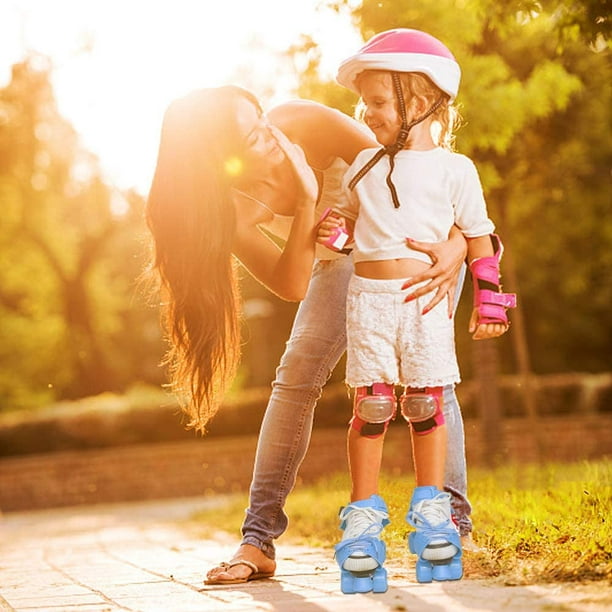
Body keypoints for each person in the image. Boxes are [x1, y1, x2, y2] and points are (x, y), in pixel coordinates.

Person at [145, 84, 472, 588]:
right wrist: (304, 201)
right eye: (250, 136)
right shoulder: (230, 207)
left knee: (426, 378)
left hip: (416, 244)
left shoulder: (302, 122)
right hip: (342, 261)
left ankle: (452, 525)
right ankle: (258, 539)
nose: (269, 135)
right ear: (219, 159)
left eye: (261, 120)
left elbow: (405, 171)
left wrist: (458, 243)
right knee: (295, 376)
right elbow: (292, 283)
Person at [317, 29, 516, 592]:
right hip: (371, 302)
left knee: (425, 403)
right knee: (374, 405)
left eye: (379, 102)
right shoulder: (361, 165)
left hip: (425, 304)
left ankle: (435, 520)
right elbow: (348, 225)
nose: (366, 112)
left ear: (422, 103)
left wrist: (491, 301)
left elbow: (479, 238)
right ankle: (361, 524)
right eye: (366, 102)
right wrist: (334, 232)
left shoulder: (457, 171)